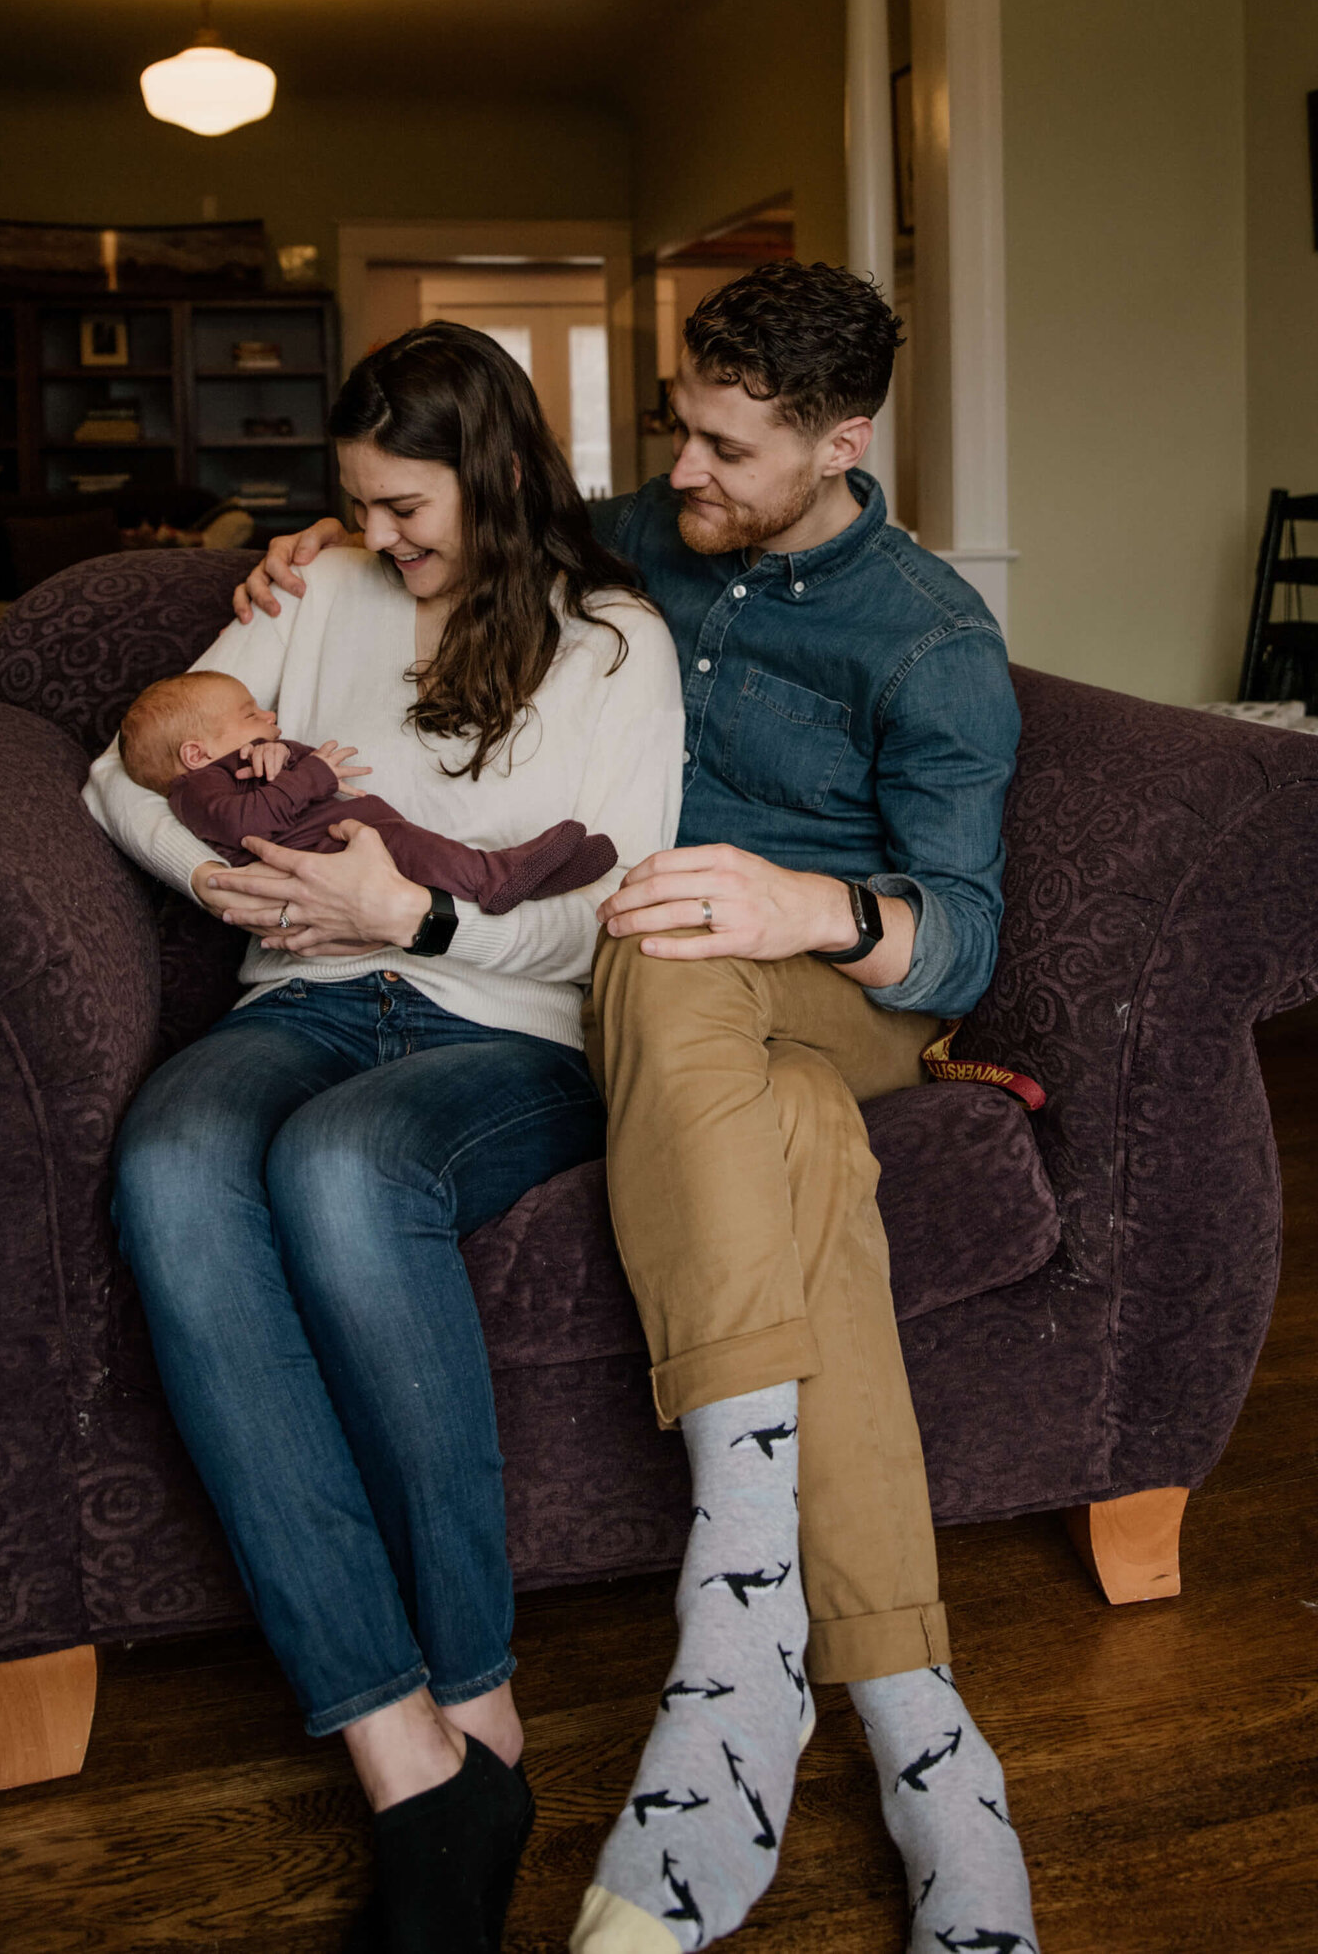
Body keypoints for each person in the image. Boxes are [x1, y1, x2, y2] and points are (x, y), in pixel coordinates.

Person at [234, 262, 1036, 1954]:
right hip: (691, 1029)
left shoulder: (931, 634)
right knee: (766, 1097)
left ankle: (738, 1636)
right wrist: (320, 539)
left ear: (842, 442)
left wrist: (803, 908)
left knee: (674, 929)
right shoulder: (650, 534)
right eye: (681, 430)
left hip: (833, 989)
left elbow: (958, 937)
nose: (685, 476)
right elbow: (468, 503)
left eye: (732, 450)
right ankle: (926, 1743)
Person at [89, 323, 683, 1954]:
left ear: (491, 478)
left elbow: (601, 922)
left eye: (405, 507)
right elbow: (122, 771)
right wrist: (211, 873)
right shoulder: (325, 591)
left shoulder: (615, 645)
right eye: (355, 503)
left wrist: (410, 910)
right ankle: (406, 1752)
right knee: (168, 1164)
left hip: (511, 1033)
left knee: (347, 1173)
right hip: (297, 1001)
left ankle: (480, 1704)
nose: (381, 539)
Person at [118, 667, 618, 912]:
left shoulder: (244, 763)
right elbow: (247, 825)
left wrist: (287, 755)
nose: (268, 716)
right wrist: (310, 774)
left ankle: (520, 879)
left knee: (407, 843)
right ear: (195, 754)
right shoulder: (196, 790)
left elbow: (285, 781)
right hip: (325, 862)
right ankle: (494, 877)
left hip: (339, 842)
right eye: (251, 715)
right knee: (400, 845)